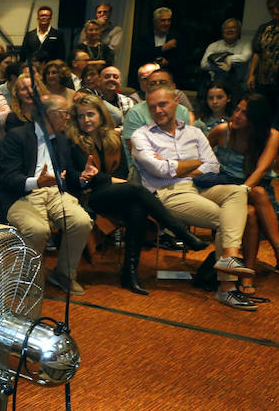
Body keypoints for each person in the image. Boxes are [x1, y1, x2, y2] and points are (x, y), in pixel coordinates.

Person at [67, 94, 205, 294]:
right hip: (89, 197)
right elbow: (93, 180)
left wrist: (115, 182)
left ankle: (129, 273)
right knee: (136, 190)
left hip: (115, 193)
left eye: (90, 114)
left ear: (101, 115)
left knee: (137, 209)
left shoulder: (112, 138)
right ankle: (178, 230)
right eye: (81, 116)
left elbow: (122, 171)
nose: (86, 120)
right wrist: (114, 182)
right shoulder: (75, 142)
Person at [0, 96, 95, 296]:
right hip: (22, 194)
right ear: (50, 114)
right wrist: (37, 182)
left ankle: (64, 274)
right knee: (37, 230)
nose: (68, 118)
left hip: (55, 192)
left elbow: (69, 175)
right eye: (65, 113)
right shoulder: (17, 136)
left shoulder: (63, 139)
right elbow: (8, 178)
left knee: (82, 221)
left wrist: (82, 177)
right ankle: (25, 278)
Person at [207, 94, 279, 290]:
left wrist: (243, 190)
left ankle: (248, 273)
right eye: (237, 109)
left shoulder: (272, 136)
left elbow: (261, 170)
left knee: (254, 204)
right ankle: (278, 252)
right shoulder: (223, 131)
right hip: (227, 189)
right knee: (255, 198)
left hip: (256, 190)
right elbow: (198, 154)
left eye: (245, 113)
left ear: (257, 119)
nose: (237, 115)